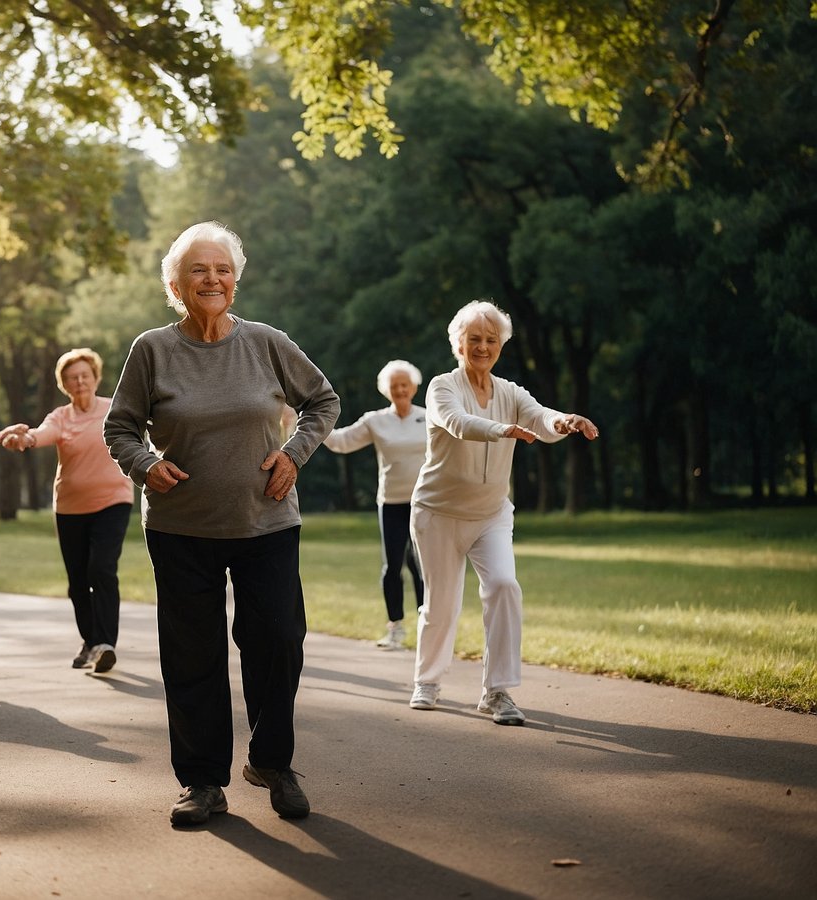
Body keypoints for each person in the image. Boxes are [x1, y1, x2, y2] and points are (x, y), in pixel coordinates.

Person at [103, 221, 340, 827]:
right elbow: (120, 427)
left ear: (235, 280)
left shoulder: (265, 341)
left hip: (266, 524)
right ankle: (204, 781)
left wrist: (294, 453)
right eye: (198, 271)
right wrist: (144, 464)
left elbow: (323, 401)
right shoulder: (152, 350)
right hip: (182, 530)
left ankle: (272, 762)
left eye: (222, 270)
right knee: (192, 655)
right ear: (176, 285)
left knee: (278, 643)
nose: (212, 279)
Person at [407, 301, 599, 725]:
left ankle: (497, 692)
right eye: (474, 339)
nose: (482, 346)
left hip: (490, 513)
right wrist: (501, 430)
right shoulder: (442, 386)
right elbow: (456, 422)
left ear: (501, 346)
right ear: (458, 343)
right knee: (440, 603)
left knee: (504, 586)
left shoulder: (510, 392)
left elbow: (540, 417)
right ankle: (428, 681)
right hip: (437, 513)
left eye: (491, 340)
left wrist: (563, 421)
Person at [0, 348, 134, 674]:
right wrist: (24, 438)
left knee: (101, 568)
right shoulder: (61, 417)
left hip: (113, 501)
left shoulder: (115, 409)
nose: (80, 381)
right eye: (72, 377)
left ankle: (105, 644)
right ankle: (91, 641)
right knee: (77, 581)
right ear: (64, 384)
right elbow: (41, 435)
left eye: (85, 375)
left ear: (96, 377)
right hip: (70, 508)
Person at [324, 360, 427, 650]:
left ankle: (428, 628)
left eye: (404, 384)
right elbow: (341, 442)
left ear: (414, 387)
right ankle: (395, 628)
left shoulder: (431, 417)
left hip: (425, 503)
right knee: (392, 565)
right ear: (386, 390)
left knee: (423, 566)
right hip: (392, 502)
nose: (400, 389)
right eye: (394, 386)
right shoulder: (375, 420)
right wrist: (309, 423)